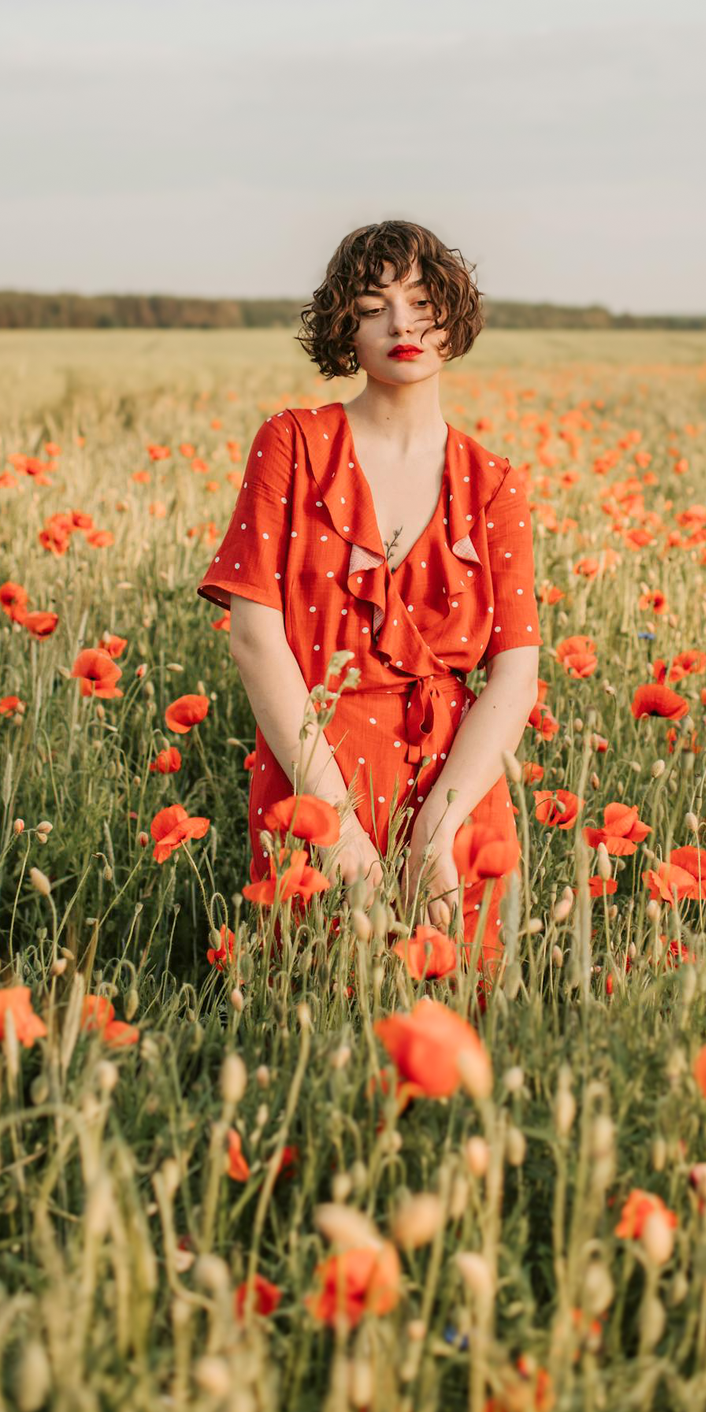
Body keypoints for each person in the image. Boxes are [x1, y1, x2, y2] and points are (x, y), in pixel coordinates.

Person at [196, 219, 542, 967]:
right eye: (374, 303)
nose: (402, 322)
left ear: (453, 320)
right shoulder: (291, 444)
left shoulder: (494, 485)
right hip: (319, 762)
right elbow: (256, 637)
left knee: (462, 1010)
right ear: (343, 326)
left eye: (422, 300)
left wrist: (441, 826)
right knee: (320, 1006)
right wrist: (338, 821)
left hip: (460, 778)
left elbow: (516, 671)